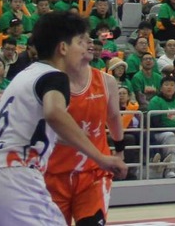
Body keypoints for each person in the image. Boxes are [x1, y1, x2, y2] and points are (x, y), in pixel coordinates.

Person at [0, 12, 126, 226]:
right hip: (15, 176)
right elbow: (54, 114)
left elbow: (46, 129)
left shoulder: (24, 75)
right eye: (80, 42)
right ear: (63, 48)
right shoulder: (55, 77)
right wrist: (100, 157)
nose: (84, 49)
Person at [44, 33, 125, 226]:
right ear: (63, 48)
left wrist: (120, 149)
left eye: (89, 39)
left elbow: (114, 117)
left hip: (93, 173)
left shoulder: (106, 81)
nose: (89, 42)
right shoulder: (48, 83)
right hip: (53, 174)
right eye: (81, 40)